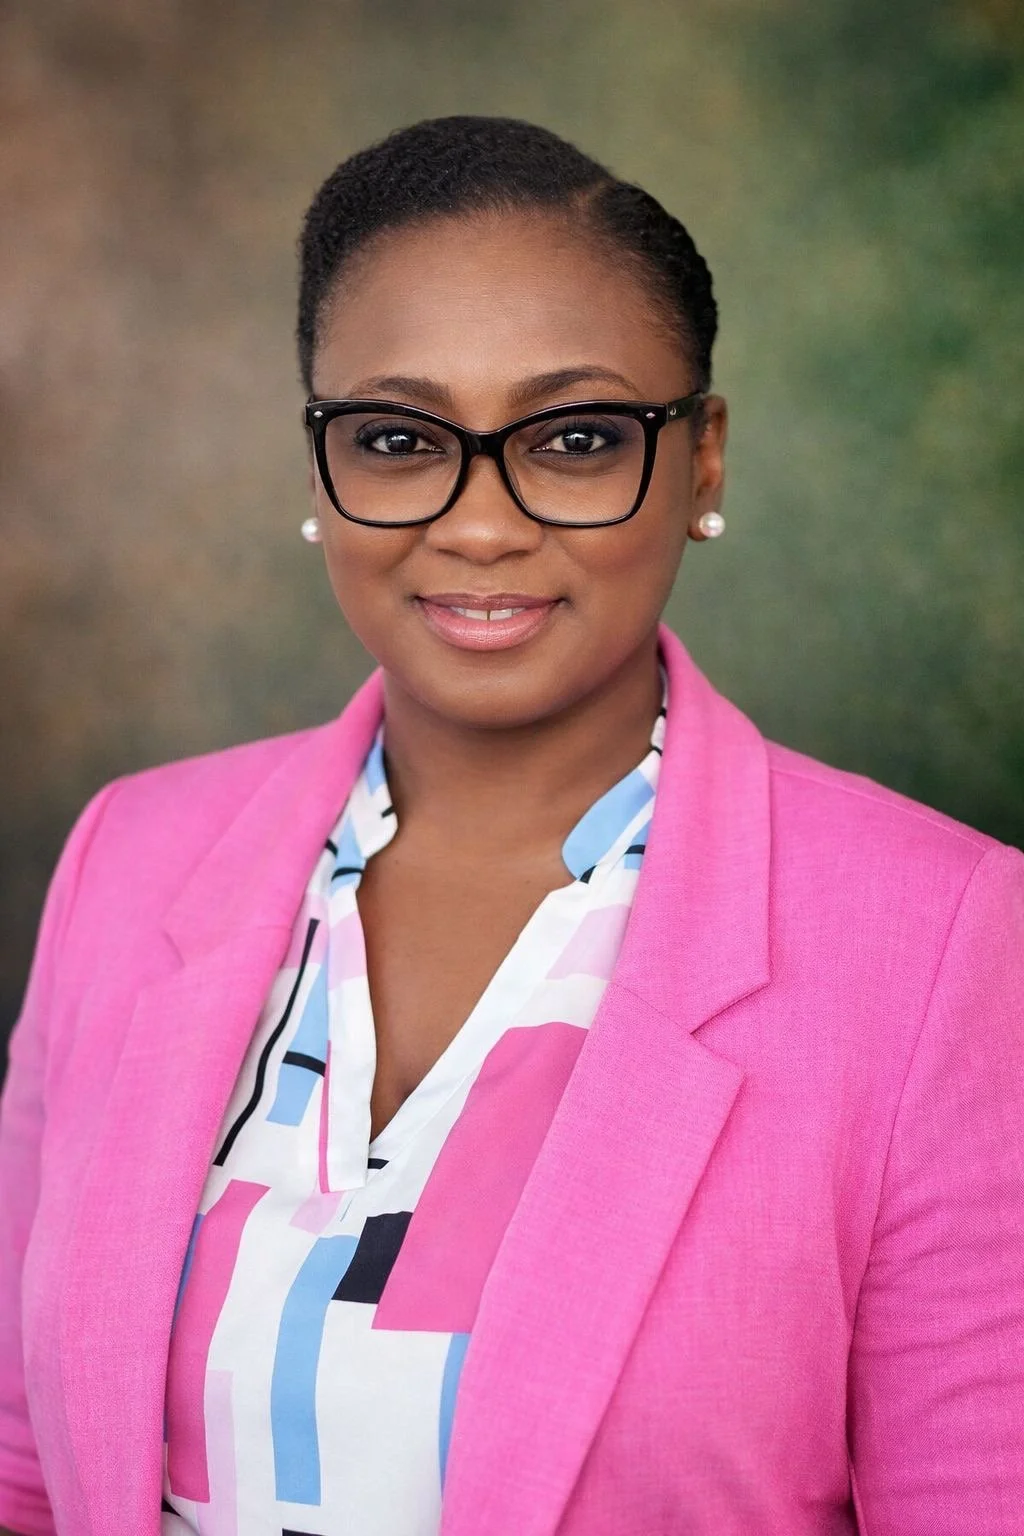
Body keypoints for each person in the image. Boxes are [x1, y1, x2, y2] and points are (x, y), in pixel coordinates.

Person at [1, 115, 1022, 1536]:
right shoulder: (132, 859)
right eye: (400, 438)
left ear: (703, 461)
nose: (479, 525)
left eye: (580, 436)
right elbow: (29, 1467)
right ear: (318, 468)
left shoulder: (942, 940)